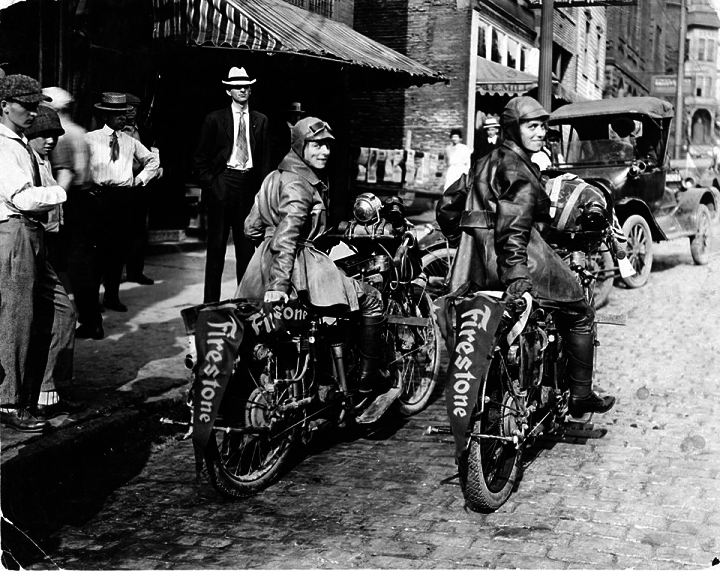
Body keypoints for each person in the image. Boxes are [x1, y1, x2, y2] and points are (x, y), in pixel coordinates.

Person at [437, 96, 615, 417]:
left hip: (473, 266)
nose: (540, 133)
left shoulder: (484, 161)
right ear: (512, 129)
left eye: (543, 126)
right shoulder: (517, 169)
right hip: (515, 260)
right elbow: (514, 225)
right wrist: (517, 271)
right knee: (580, 312)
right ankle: (580, 394)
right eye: (532, 126)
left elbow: (447, 209)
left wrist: (469, 234)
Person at [235, 117, 389, 393]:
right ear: (299, 146)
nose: (325, 152)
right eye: (316, 145)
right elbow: (289, 235)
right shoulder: (300, 185)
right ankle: (368, 379)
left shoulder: (274, 176)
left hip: (262, 265)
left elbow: (251, 228)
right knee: (371, 300)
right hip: (297, 268)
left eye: (328, 145)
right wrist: (280, 283)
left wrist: (269, 251)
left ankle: (325, 373)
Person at [0, 74, 83, 433]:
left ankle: (46, 388)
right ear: (5, 106)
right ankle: (9, 401)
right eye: (27, 106)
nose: (34, 113)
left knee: (61, 310)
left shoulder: (20, 143)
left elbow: (42, 184)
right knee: (17, 319)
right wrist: (61, 193)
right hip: (15, 229)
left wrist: (50, 187)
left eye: (37, 105)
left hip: (31, 233)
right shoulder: (4, 147)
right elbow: (23, 197)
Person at [194, 66, 272, 303]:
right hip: (223, 182)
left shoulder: (261, 120)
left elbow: (265, 161)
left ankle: (244, 304)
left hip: (248, 186)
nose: (243, 89)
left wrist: (263, 193)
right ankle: (210, 306)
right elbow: (199, 159)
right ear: (228, 90)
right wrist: (213, 183)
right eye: (237, 86)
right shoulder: (215, 119)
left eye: (247, 85)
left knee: (247, 249)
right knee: (216, 249)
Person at [86, 92, 160, 313]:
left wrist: (140, 180)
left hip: (123, 198)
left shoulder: (130, 142)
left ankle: (111, 297)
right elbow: (80, 165)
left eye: (124, 113)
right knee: (96, 252)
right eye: (117, 114)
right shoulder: (91, 139)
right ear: (105, 116)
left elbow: (152, 160)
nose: (123, 118)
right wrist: (88, 185)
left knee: (117, 251)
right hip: (99, 198)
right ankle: (91, 301)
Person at [44, 86, 104, 340]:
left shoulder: (61, 135)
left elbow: (65, 174)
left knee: (70, 265)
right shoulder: (80, 132)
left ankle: (83, 320)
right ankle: (91, 318)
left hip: (70, 201)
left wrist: (52, 205)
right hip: (85, 200)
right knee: (81, 264)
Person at [123, 92, 160, 286]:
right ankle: (111, 275)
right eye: (127, 107)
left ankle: (135, 271)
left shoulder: (145, 131)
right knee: (118, 231)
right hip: (118, 187)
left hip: (139, 187)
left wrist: (156, 169)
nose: (130, 112)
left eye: (134, 108)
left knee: (139, 231)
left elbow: (154, 155)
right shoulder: (113, 131)